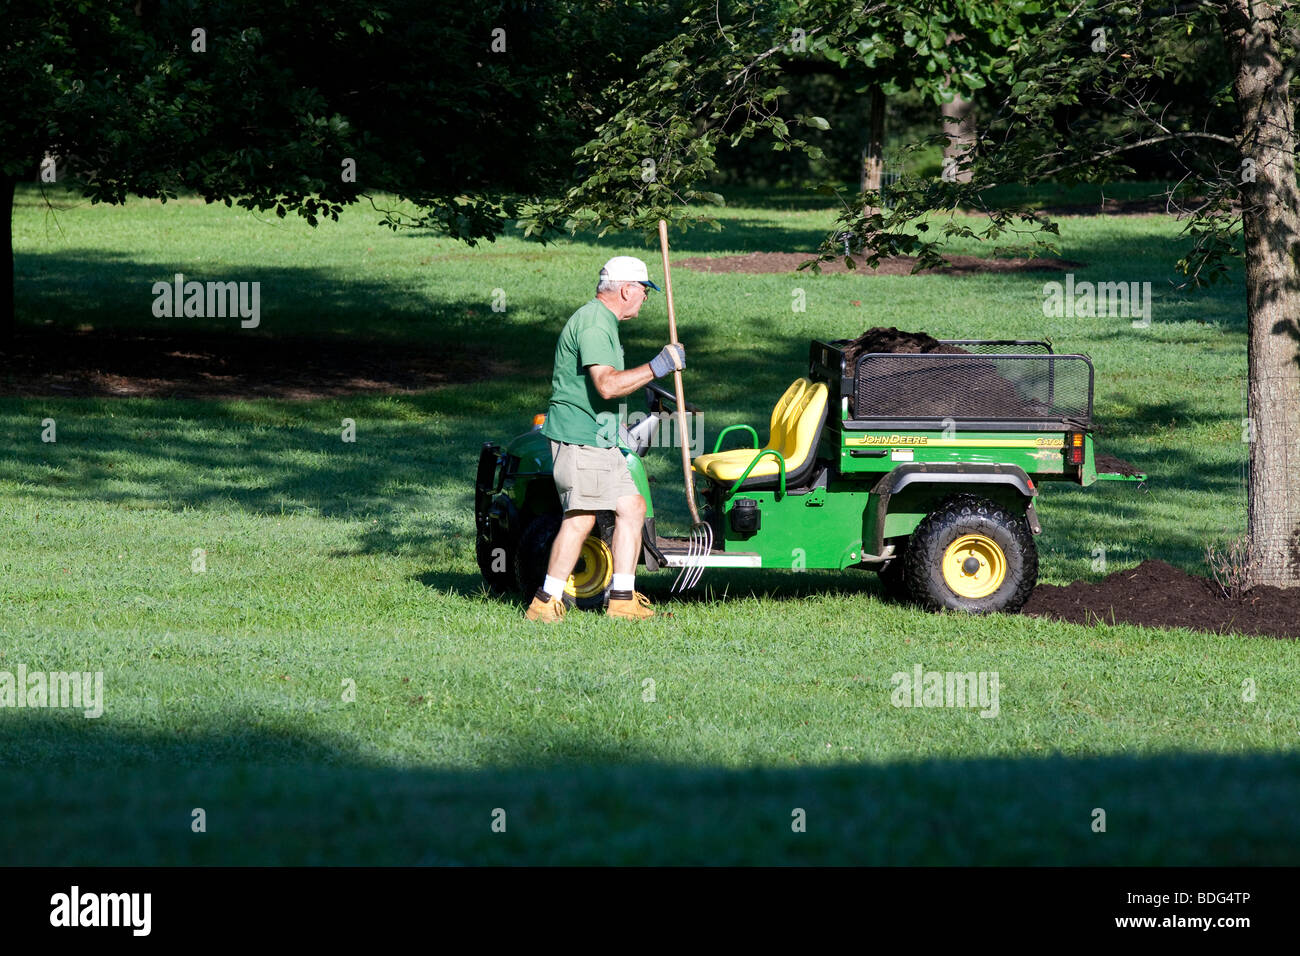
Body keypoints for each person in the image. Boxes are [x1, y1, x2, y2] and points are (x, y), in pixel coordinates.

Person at [525, 256, 686, 622]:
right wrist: (658, 366)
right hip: (583, 438)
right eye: (644, 291)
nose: (645, 298)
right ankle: (544, 603)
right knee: (580, 519)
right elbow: (608, 385)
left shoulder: (602, 321)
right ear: (627, 289)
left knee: (632, 507)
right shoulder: (595, 324)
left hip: (599, 437)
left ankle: (622, 600)